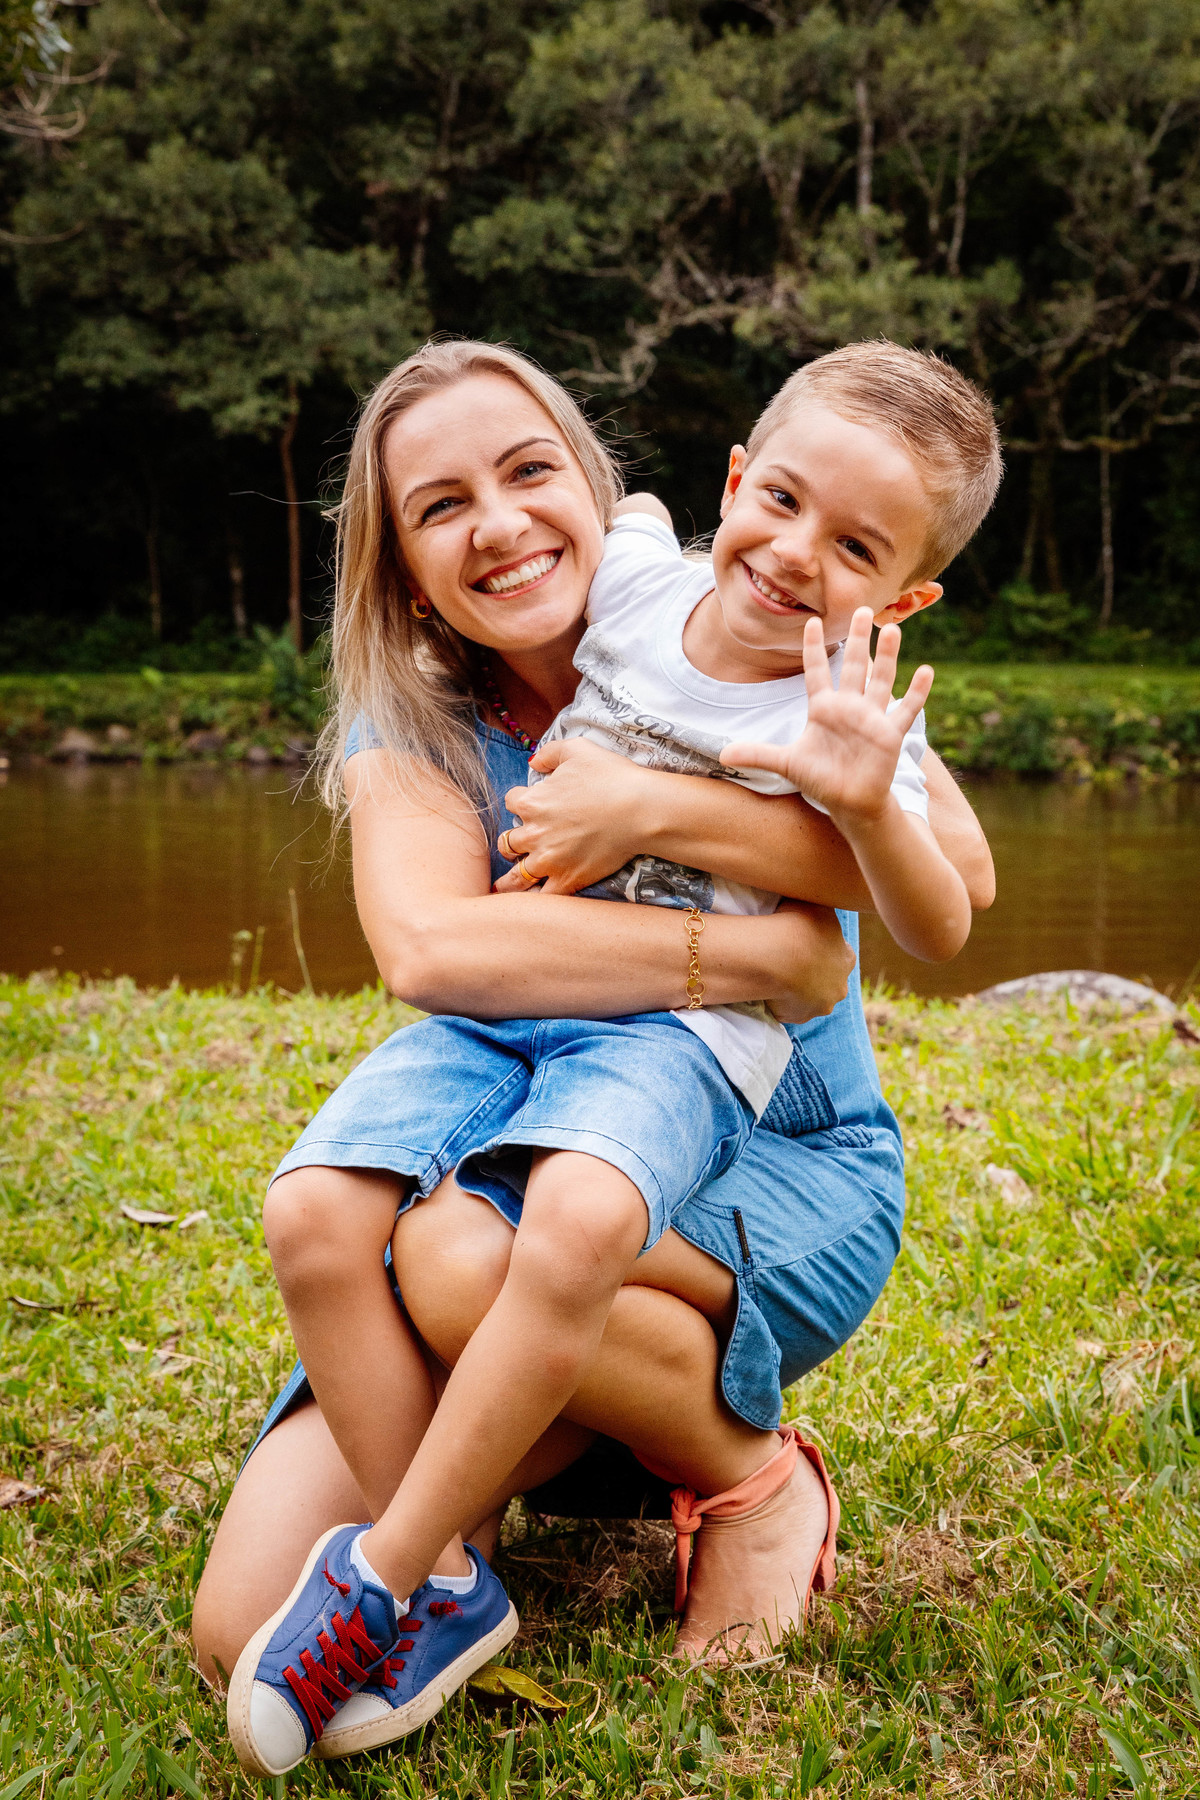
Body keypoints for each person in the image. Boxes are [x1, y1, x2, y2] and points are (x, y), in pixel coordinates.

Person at [192, 339, 996, 1776]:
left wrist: (654, 811)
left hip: (761, 1151)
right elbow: (434, 958)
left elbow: (950, 881)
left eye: (525, 471)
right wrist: (766, 951)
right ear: (403, 564)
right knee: (237, 1623)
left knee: (457, 1254)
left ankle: (741, 1476)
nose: (496, 524)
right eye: (439, 507)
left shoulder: (780, 648)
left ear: (595, 480)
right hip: (523, 1104)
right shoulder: (432, 710)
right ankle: (446, 1572)